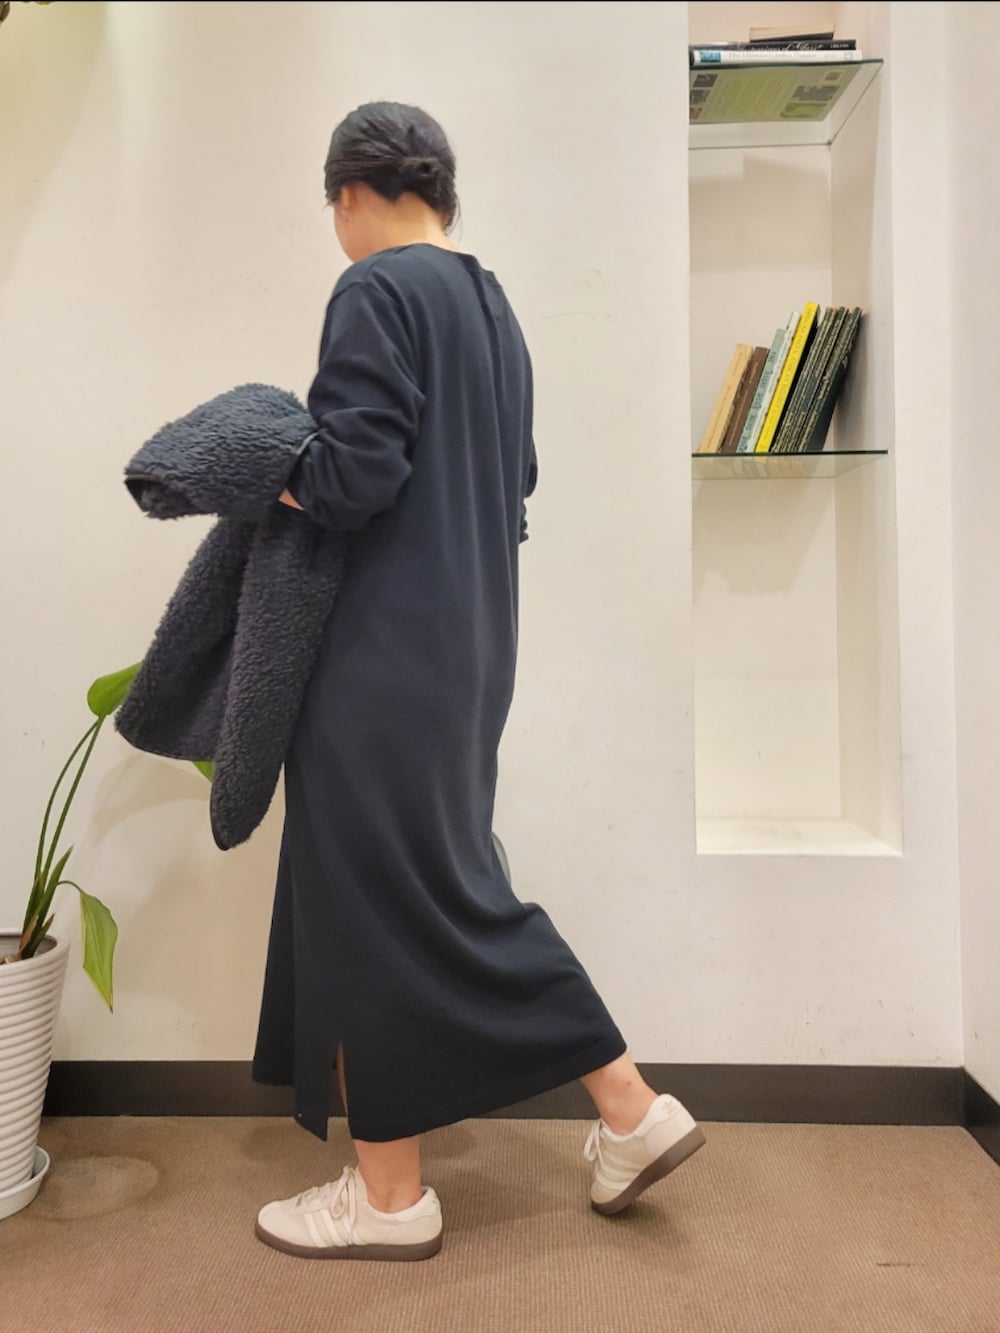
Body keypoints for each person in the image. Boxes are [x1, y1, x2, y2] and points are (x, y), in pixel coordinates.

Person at [252, 102, 705, 1261]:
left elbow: (354, 474)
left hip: (378, 657)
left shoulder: (373, 288)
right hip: (469, 651)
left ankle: (410, 1192)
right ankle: (595, 1121)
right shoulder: (492, 306)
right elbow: (518, 479)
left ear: (350, 194)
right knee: (430, 886)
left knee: (382, 899)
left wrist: (264, 472)